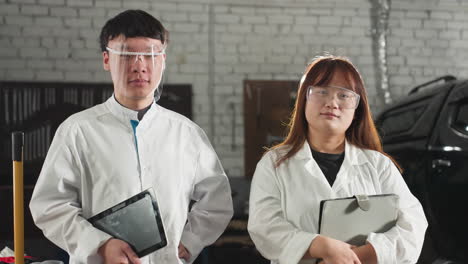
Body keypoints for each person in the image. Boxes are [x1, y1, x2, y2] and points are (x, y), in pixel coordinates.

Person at [30, 10, 233, 264]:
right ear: (106, 59)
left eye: (150, 54)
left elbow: (217, 201)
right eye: (126, 54)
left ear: (163, 60)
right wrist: (100, 245)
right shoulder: (78, 131)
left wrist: (190, 241)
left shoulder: (187, 133)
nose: (139, 65)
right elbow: (49, 206)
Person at [247, 55, 427, 264]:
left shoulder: (379, 165)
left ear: (356, 110)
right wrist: (319, 246)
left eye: (344, 95)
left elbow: (412, 225)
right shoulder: (274, 163)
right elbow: (264, 227)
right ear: (304, 101)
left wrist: (356, 257)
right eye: (322, 91)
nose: (332, 103)